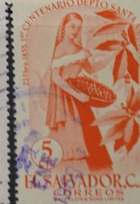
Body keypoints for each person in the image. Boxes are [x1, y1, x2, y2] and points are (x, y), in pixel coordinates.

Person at [46, 12, 112, 170]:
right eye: (72, 26)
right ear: (64, 27)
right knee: (73, 134)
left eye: (79, 28)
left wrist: (110, 56)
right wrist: (77, 95)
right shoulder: (60, 48)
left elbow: (91, 69)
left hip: (80, 94)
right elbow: (55, 77)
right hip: (67, 97)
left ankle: (96, 169)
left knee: (89, 131)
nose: (75, 31)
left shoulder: (80, 49)